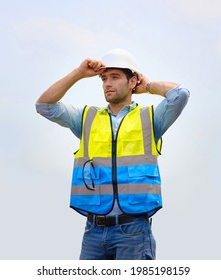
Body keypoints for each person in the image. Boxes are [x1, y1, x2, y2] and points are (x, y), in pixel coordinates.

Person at [36, 48, 189, 260]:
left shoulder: (151, 118)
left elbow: (180, 94)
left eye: (115, 77)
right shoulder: (86, 118)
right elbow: (44, 106)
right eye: (104, 78)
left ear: (132, 81)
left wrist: (148, 87)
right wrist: (78, 73)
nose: (107, 83)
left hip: (133, 231)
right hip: (93, 231)